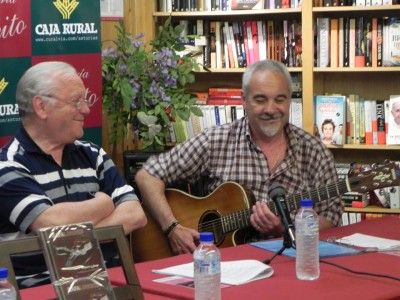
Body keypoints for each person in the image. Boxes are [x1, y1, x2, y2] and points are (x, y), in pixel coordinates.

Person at [135, 59, 343, 256]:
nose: (271, 109)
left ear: (290, 100)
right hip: (221, 268)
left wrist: (284, 227)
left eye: (279, 99)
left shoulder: (315, 152)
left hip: (290, 263)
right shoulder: (215, 141)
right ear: (243, 100)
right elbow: (147, 176)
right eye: (260, 100)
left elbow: (330, 217)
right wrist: (172, 227)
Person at [0, 61, 147, 288]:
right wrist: (105, 203)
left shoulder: (92, 153)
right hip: (42, 292)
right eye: (76, 101)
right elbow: (51, 222)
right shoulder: (7, 164)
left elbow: (135, 214)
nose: (86, 109)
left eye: (85, 100)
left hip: (110, 287)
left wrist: (70, 242)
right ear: (41, 107)